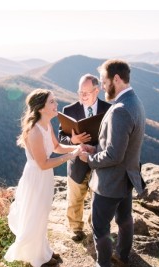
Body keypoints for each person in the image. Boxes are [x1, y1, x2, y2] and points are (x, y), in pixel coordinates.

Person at [78, 59, 146, 267]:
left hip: (110, 181)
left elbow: (114, 155)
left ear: (117, 79)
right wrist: (95, 147)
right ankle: (123, 256)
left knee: (100, 227)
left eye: (106, 82)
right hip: (127, 177)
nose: (104, 86)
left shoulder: (120, 110)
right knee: (125, 219)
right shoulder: (135, 102)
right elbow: (117, 146)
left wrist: (89, 157)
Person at [4, 89, 82, 267]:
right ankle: (36, 255)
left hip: (45, 177)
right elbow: (43, 163)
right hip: (36, 177)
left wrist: (75, 147)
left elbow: (56, 146)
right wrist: (72, 156)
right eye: (52, 102)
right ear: (41, 108)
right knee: (36, 214)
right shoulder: (35, 131)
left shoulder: (47, 125)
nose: (56, 105)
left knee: (43, 213)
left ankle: (43, 249)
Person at [58, 74, 111, 242]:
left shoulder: (109, 110)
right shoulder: (69, 110)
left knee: (98, 200)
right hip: (77, 163)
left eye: (86, 93)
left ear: (97, 90)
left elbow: (113, 138)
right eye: (80, 92)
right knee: (74, 199)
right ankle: (75, 228)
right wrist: (73, 141)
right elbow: (61, 138)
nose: (82, 96)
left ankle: (94, 226)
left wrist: (96, 149)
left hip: (100, 162)